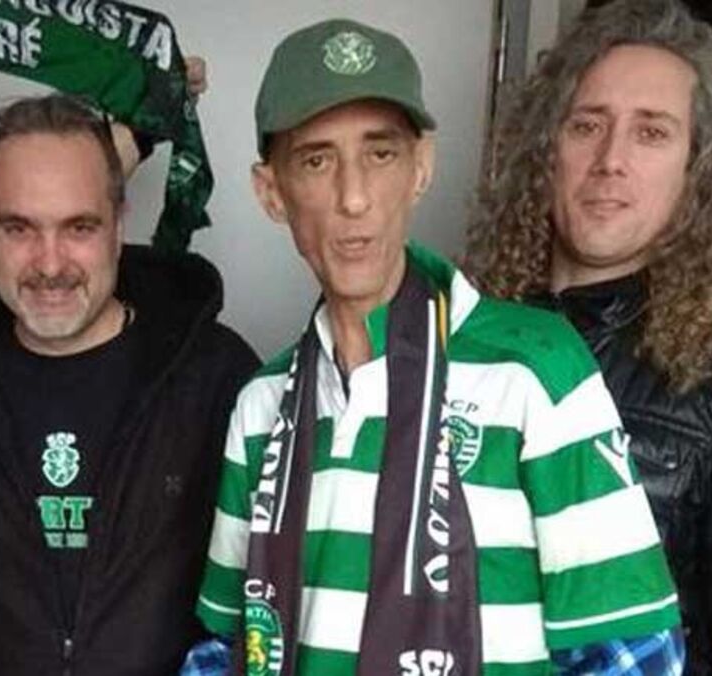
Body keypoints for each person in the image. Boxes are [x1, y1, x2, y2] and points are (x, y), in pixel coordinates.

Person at [187, 17, 683, 675]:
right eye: (316, 161)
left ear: (421, 167)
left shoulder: (534, 370)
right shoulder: (261, 405)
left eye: (381, 154)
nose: (354, 197)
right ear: (271, 192)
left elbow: (641, 655)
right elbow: (227, 647)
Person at [464, 0, 712, 672]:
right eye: (587, 125)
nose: (610, 159)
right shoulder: (455, 329)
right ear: (546, 150)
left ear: (696, 170)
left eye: (651, 132)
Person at [0, 93, 259, 675]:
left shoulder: (219, 378)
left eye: (79, 227)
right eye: (19, 228)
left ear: (118, 226)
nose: (50, 264)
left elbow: (276, 584)